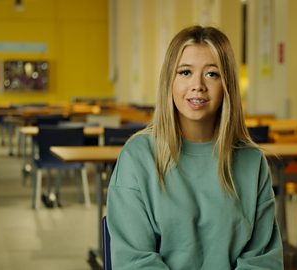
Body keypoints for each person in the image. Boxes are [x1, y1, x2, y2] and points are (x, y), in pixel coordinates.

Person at [106, 25, 283, 269]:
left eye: (212, 74)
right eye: (185, 72)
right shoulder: (137, 158)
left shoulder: (252, 161)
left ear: (227, 85)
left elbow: (263, 260)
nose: (197, 85)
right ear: (170, 80)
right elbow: (134, 261)